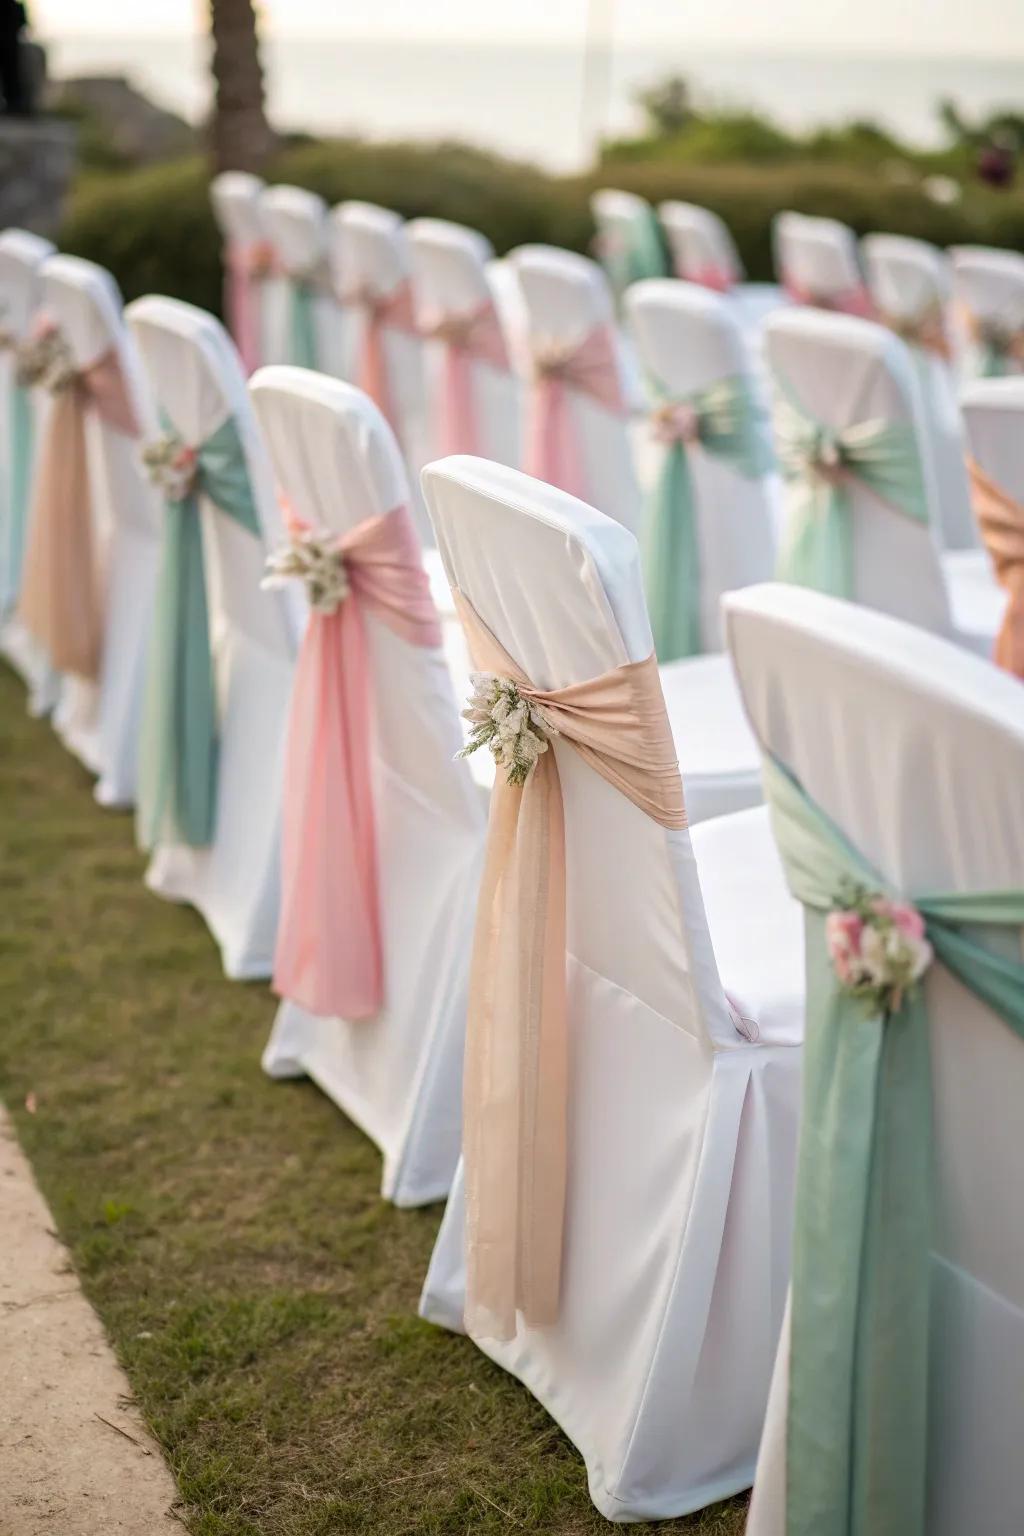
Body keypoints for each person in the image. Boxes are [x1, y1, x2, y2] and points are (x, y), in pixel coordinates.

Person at [0, 0, 30, 117]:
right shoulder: (14, 6)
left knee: (12, 75)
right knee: (12, 74)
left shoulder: (13, 6)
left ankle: (15, 104)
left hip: (10, 44)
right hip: (10, 44)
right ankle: (15, 104)